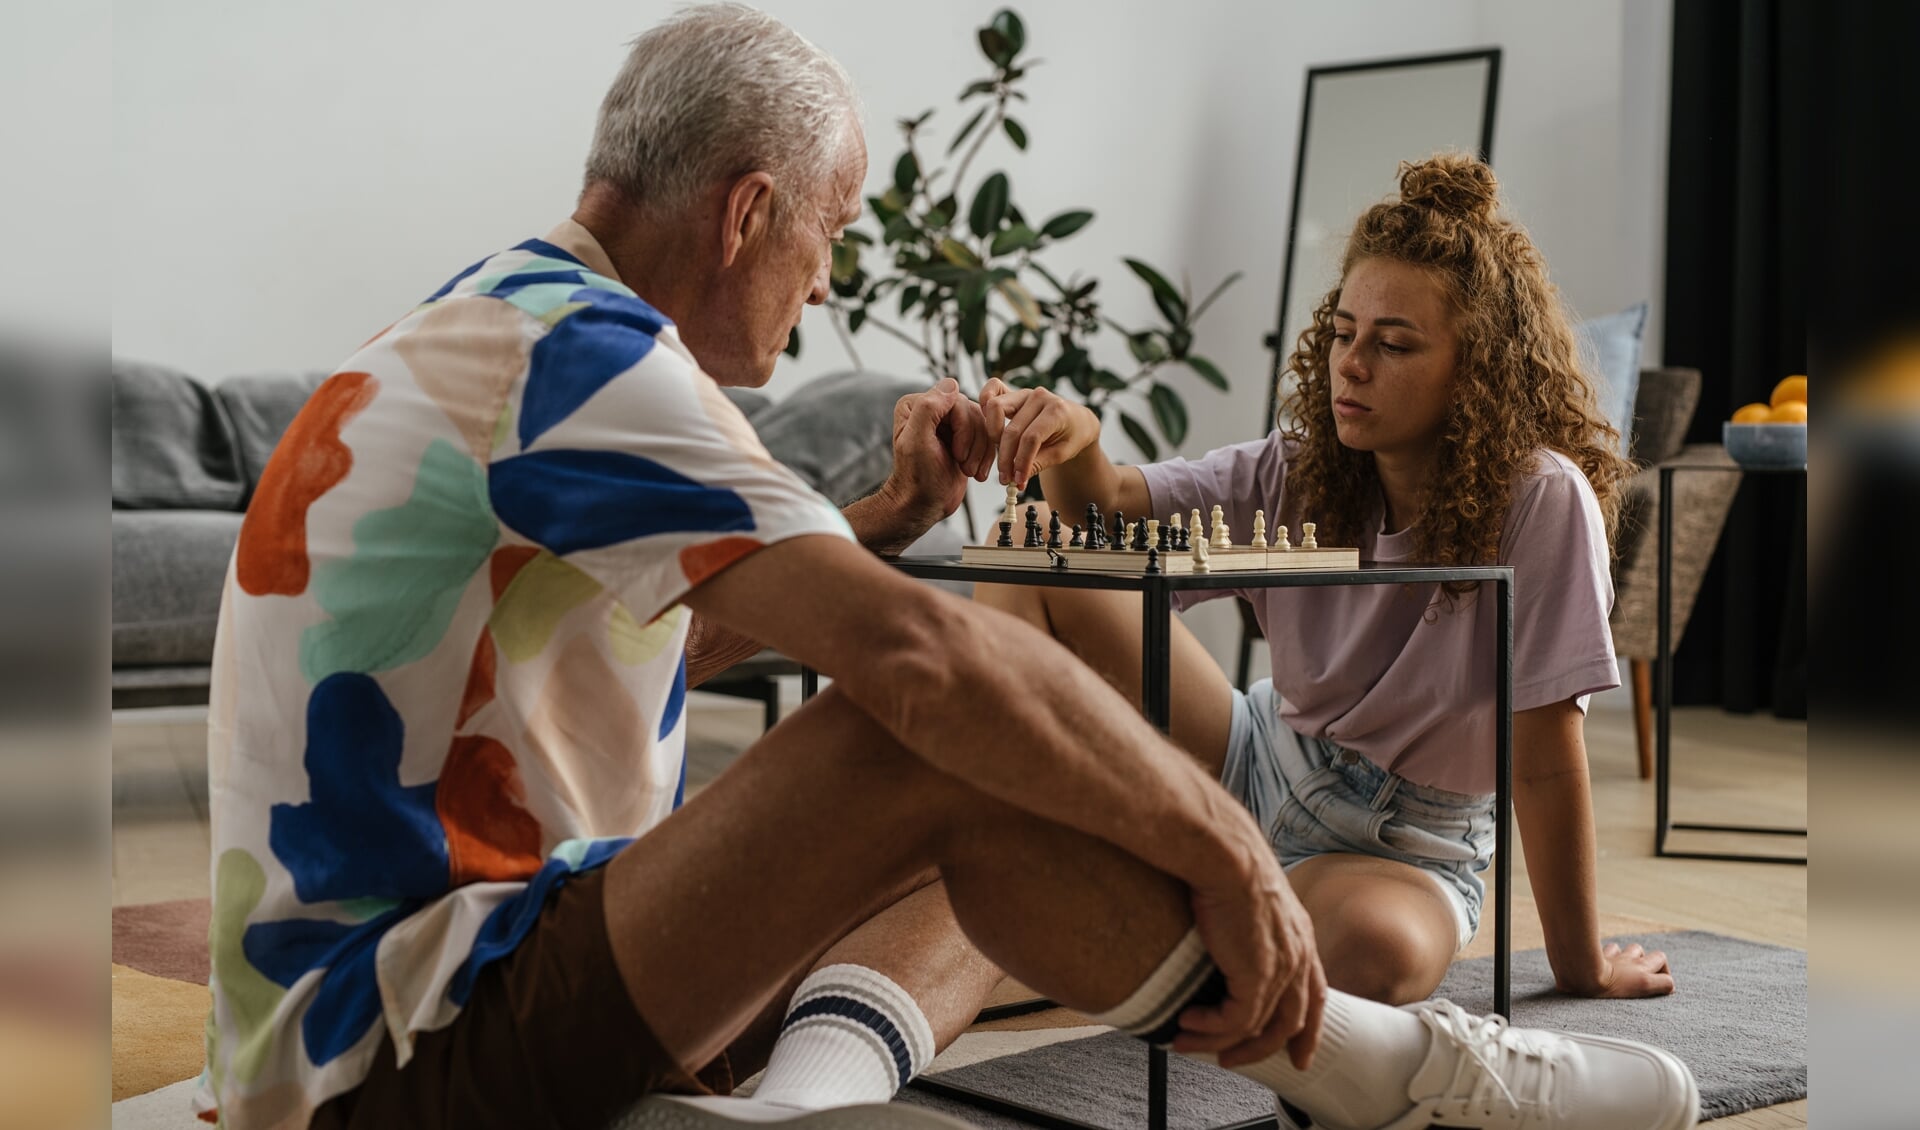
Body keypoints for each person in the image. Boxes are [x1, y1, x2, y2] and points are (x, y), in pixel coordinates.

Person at [192, 6, 1698, 1129]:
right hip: (396, 1051)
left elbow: (669, 646)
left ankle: (805, 1096)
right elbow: (927, 660)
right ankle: (1405, 1075)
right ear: (747, 212)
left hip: (383, 1006)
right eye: (830, 234)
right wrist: (1229, 852)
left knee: (971, 750)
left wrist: (889, 523)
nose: (832, 277)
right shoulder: (586, 360)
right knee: (944, 732)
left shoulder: (503, 323)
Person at [973, 151, 1678, 1013]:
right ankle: (1007, 855)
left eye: (1393, 344)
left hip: (1405, 849)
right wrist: (1077, 440)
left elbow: (1543, 763)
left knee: (1369, 956)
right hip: (1249, 759)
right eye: (1344, 332)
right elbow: (1110, 517)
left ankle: (1161, 917)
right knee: (1030, 539)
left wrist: (1581, 969)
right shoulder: (1299, 467)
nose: (1351, 364)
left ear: (1478, 369)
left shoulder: (1539, 499)